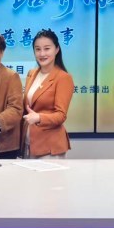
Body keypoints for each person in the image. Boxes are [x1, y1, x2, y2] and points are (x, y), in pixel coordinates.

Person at [21, 29, 74, 158]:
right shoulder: (31, 73)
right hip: (28, 144)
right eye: (37, 49)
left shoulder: (63, 78)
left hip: (50, 147)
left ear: (57, 49)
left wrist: (39, 117)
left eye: (47, 48)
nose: (42, 53)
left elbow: (61, 115)